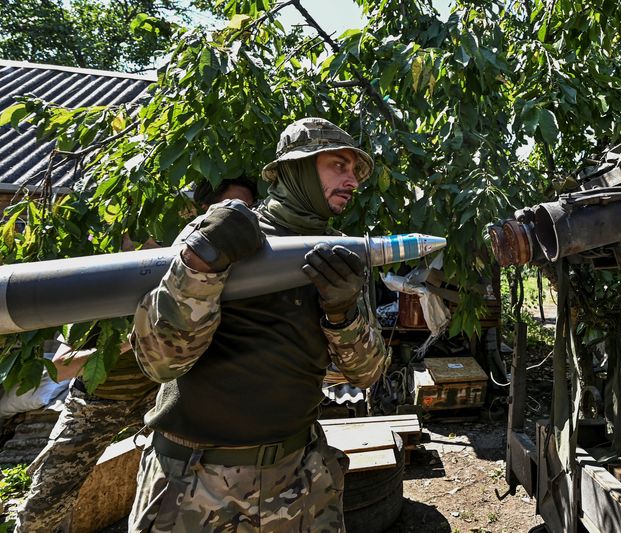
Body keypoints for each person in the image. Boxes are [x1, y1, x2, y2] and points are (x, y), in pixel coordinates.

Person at [128, 117, 389, 532]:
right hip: (195, 484)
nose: (352, 180)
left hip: (297, 480)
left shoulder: (337, 257)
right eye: (338, 165)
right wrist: (201, 266)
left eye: (355, 171)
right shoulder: (223, 235)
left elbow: (364, 373)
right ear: (294, 169)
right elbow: (160, 361)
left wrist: (343, 315)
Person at [14, 179, 257, 533]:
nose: (149, 248)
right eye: (139, 240)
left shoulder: (188, 279)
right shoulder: (99, 290)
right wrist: (124, 344)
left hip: (159, 398)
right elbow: (62, 369)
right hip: (99, 401)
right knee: (46, 502)